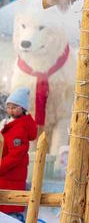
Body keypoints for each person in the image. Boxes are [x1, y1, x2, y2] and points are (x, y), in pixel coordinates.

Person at [0, 87, 38, 219]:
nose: (11, 110)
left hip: (11, 174)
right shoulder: (12, 124)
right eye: (9, 107)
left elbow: (15, 155)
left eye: (15, 107)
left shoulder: (20, 128)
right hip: (8, 174)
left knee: (9, 208)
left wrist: (1, 166)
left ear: (23, 108)